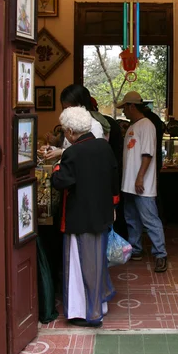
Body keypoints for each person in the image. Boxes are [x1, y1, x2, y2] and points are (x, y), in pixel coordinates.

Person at [51, 106, 119, 327]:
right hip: (101, 212)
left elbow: (61, 181)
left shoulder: (73, 152)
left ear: (70, 131)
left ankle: (86, 312)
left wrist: (55, 168)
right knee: (97, 261)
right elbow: (113, 178)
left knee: (80, 264)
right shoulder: (103, 147)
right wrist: (114, 205)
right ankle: (101, 303)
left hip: (80, 216)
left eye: (64, 131)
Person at [117, 90, 168, 273]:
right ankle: (136, 249)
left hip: (141, 184)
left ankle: (160, 254)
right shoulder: (134, 125)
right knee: (131, 218)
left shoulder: (146, 125)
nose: (123, 111)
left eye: (124, 107)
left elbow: (147, 153)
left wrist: (140, 177)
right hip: (129, 183)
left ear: (132, 106)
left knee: (149, 219)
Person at [39, 84, 110, 161]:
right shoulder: (69, 124)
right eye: (64, 108)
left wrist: (62, 152)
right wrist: (51, 150)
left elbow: (92, 154)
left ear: (81, 106)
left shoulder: (94, 126)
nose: (66, 111)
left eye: (69, 108)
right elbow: (66, 148)